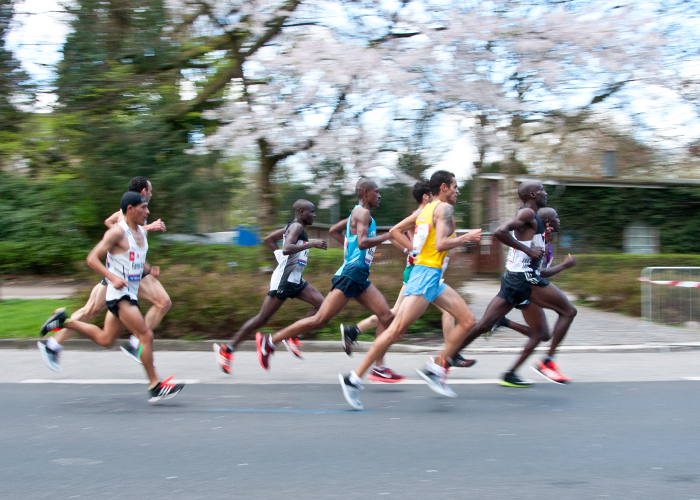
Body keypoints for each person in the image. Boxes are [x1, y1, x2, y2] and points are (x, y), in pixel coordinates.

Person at [339, 170, 481, 410]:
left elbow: (394, 231)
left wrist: (414, 251)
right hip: (425, 276)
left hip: (432, 277)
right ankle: (353, 380)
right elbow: (441, 244)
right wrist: (467, 237)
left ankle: (436, 367)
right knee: (394, 331)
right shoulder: (444, 209)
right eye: (455, 187)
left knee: (467, 321)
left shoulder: (424, 210)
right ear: (444, 187)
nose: (458, 191)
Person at [38, 192, 184, 403]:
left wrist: (149, 269)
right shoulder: (117, 233)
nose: (148, 211)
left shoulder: (140, 233)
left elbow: (134, 259)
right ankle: (155, 385)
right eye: (143, 207)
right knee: (145, 335)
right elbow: (92, 259)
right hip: (118, 294)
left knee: (106, 340)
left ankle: (63, 322)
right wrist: (112, 278)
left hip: (130, 292)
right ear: (130, 209)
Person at [441, 181, 578, 388]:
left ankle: (445, 362)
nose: (546, 193)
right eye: (542, 190)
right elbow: (499, 232)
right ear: (533, 194)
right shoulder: (528, 215)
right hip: (523, 279)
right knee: (567, 312)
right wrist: (531, 251)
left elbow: (533, 257)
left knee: (486, 325)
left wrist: (539, 244)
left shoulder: (537, 227)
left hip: (514, 279)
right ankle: (547, 362)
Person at [254, 178, 396, 372]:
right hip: (350, 275)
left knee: (386, 316)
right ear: (365, 193)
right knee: (319, 320)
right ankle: (270, 341)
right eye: (376, 191)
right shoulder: (362, 213)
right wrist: (390, 235)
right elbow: (363, 243)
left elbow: (343, 236)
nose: (379, 195)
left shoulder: (359, 213)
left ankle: (379, 367)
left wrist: (349, 244)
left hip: (359, 275)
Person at [213, 200, 327, 373]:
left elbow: (269, 239)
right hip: (284, 280)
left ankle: (293, 336)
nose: (314, 215)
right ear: (302, 212)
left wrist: (281, 259)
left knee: (323, 306)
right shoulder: (296, 228)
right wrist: (312, 244)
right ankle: (227, 350)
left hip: (295, 278)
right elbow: (287, 247)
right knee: (262, 319)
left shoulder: (294, 227)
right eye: (312, 211)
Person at [484, 207, 578, 386]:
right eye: (556, 217)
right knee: (545, 330)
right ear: (548, 223)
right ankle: (542, 363)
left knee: (542, 335)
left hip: (525, 286)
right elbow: (539, 273)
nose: (560, 220)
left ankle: (505, 329)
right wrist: (564, 266)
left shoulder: (543, 239)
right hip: (526, 289)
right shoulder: (538, 240)